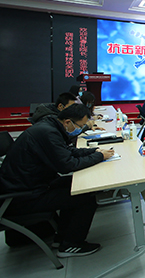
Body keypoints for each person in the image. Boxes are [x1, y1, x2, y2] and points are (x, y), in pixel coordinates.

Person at [0, 104, 114, 257]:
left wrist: (94, 151)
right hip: (23, 196)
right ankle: (71, 244)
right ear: (68, 122)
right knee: (84, 196)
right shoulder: (48, 132)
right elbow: (68, 165)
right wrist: (99, 156)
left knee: (75, 184)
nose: (81, 129)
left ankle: (62, 237)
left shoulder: (49, 127)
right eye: (80, 126)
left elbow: (66, 151)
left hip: (31, 185)